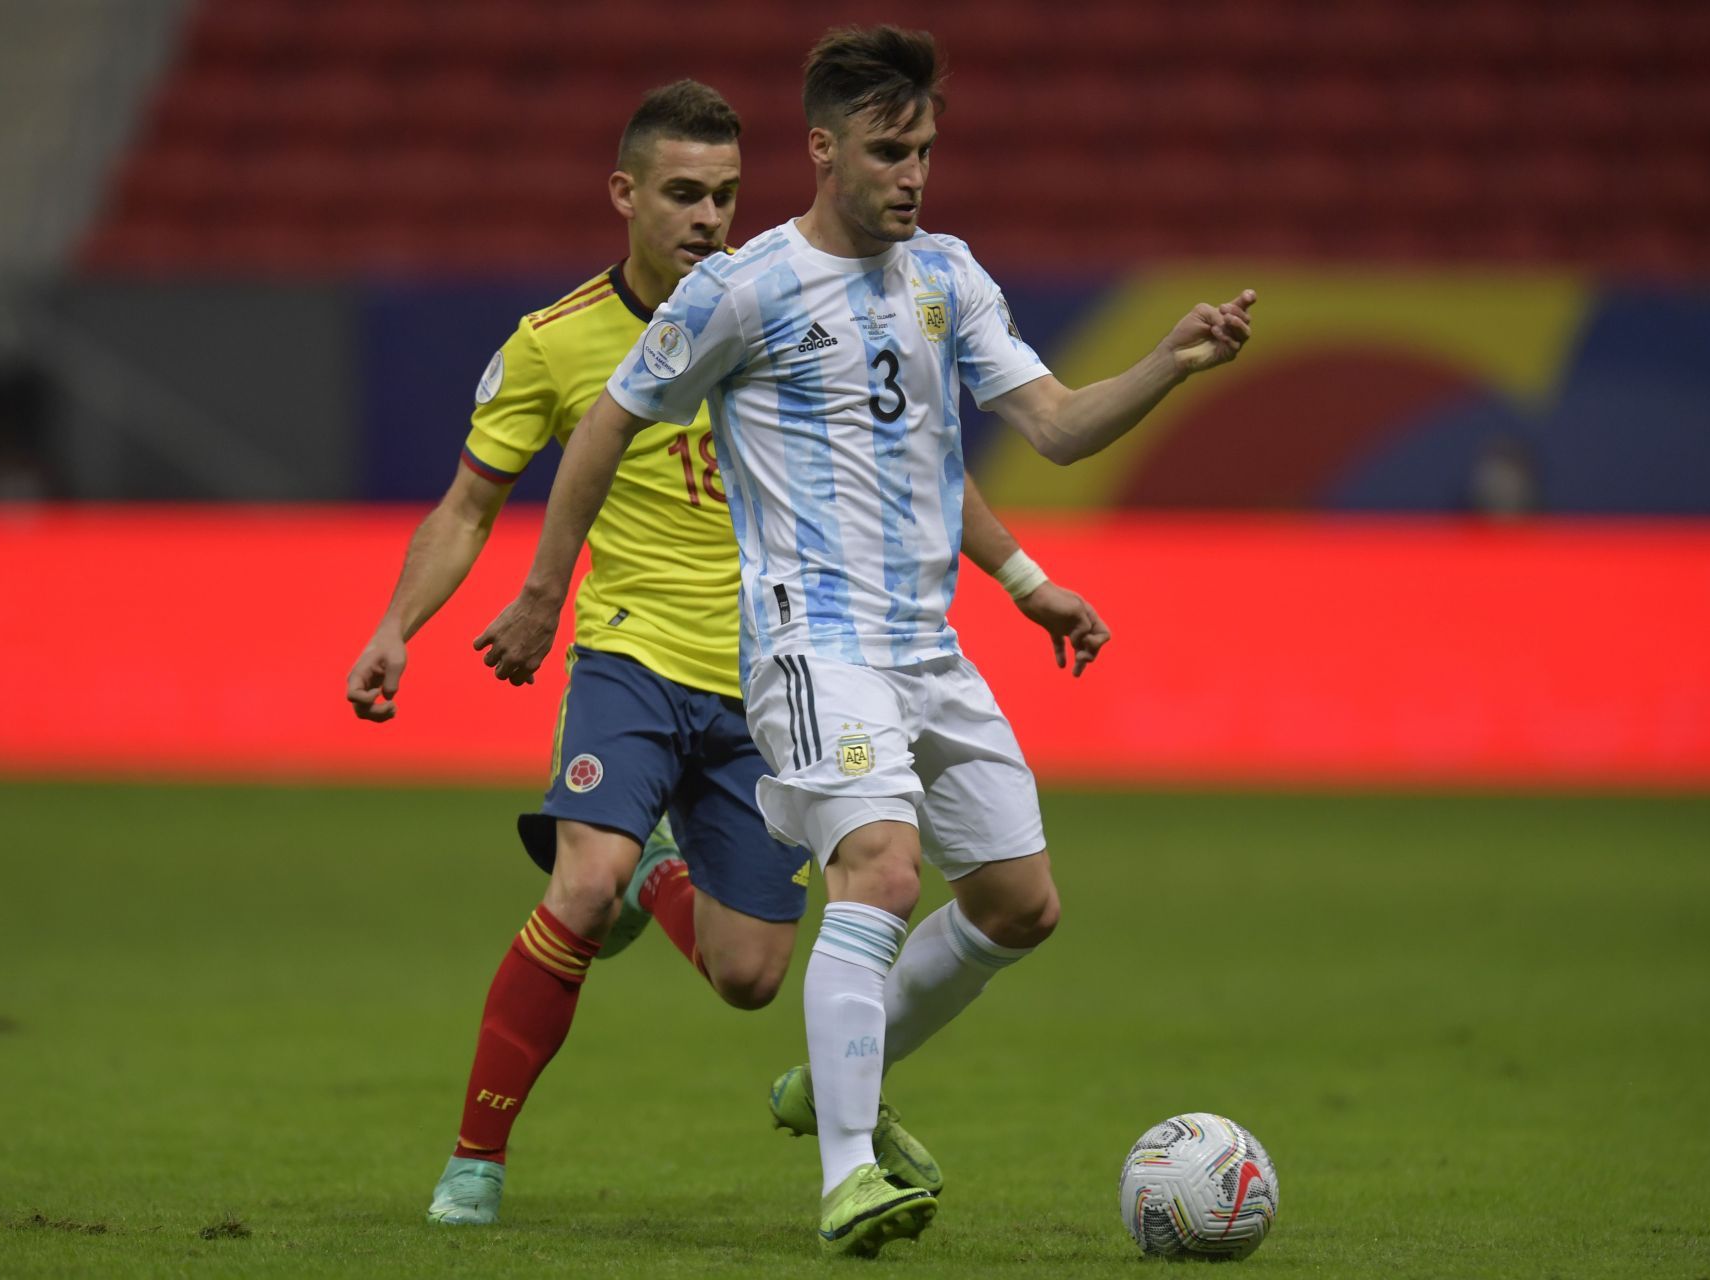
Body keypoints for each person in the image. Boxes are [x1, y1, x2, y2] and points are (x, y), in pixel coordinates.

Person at [473, 26, 1256, 1256]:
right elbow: (605, 424)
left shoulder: (946, 274)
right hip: (809, 643)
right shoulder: (746, 290)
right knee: (884, 869)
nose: (914, 176)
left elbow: (1050, 426)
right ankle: (848, 1171)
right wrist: (541, 591)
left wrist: (1169, 362)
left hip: (927, 647)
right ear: (825, 150)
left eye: (927, 151)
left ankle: (838, 1068)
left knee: (1019, 902)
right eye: (891, 152)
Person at [344, 79, 1110, 1229]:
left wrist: (1023, 579)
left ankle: (664, 864)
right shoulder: (557, 345)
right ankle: (475, 1159)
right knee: (582, 885)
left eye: (725, 196)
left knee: (754, 974)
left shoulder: (772, 301)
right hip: (632, 658)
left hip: (768, 682)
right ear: (626, 194)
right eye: (686, 195)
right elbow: (465, 502)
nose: (709, 218)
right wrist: (403, 624)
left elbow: (903, 479)